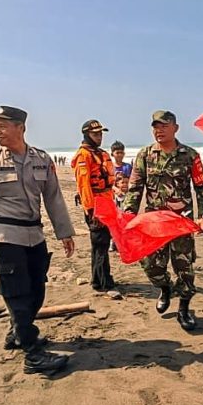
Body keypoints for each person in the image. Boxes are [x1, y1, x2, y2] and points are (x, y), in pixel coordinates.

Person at [0, 105, 76, 375]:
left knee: (37, 290)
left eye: (3, 125)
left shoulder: (41, 159)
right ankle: (33, 355)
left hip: (34, 234)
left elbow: (53, 198)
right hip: (5, 235)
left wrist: (65, 233)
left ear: (21, 128)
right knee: (18, 292)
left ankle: (18, 332)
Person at [123, 110, 203, 330]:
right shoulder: (144, 155)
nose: (158, 130)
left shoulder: (190, 155)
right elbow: (135, 188)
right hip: (154, 223)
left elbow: (201, 187)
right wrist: (128, 216)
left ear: (176, 128)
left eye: (164, 125)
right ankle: (164, 288)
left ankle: (183, 307)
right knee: (150, 265)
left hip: (181, 222)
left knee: (184, 267)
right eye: (155, 126)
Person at [72, 119, 117, 292]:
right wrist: (91, 211)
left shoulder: (100, 153)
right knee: (100, 243)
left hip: (106, 202)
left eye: (100, 134)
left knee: (102, 243)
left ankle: (99, 280)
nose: (99, 137)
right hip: (95, 205)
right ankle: (104, 283)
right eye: (95, 134)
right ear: (86, 135)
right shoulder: (83, 156)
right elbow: (84, 185)